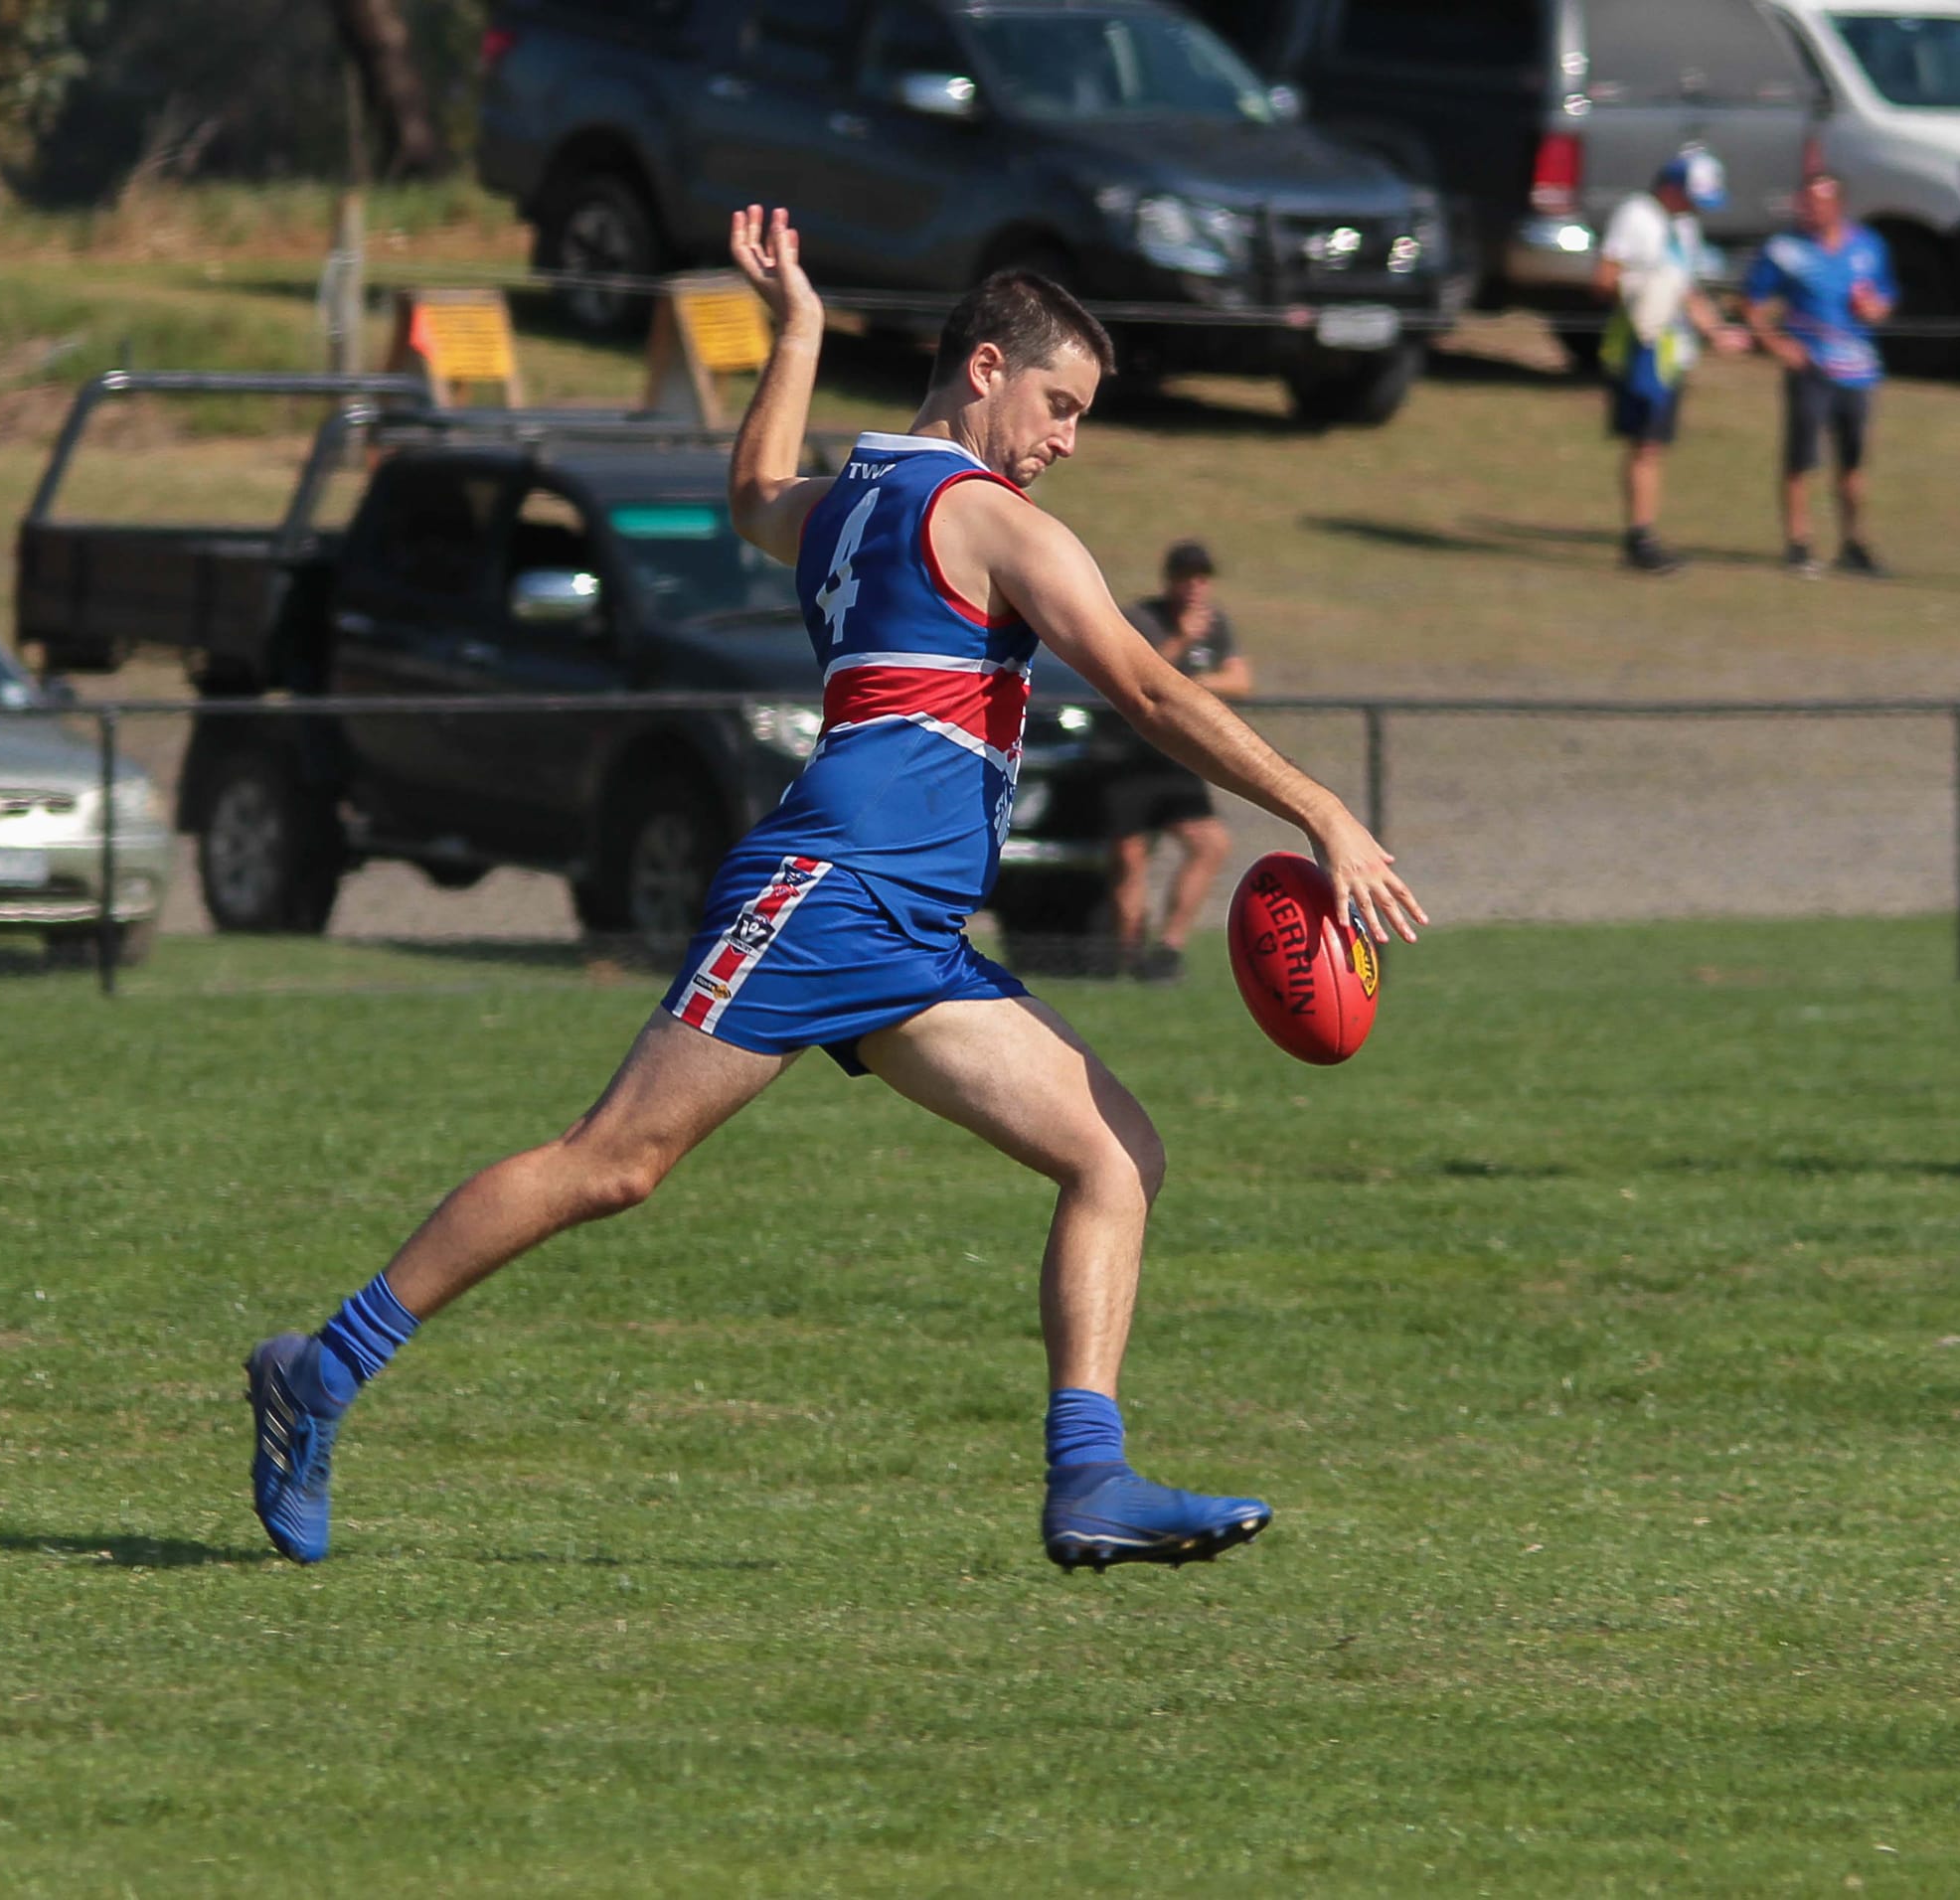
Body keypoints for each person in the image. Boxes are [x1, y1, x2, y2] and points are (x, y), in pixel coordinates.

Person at [245, 206, 1425, 1575]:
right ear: (983, 366)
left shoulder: (856, 500)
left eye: (1083, 415)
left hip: (909, 930)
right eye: (1058, 401)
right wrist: (1320, 809)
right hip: (831, 892)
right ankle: (320, 1370)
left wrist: (796, 332)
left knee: (1116, 1156)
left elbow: (751, 495)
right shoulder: (989, 521)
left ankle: (1089, 1479)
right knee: (613, 1163)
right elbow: (1151, 684)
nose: (1067, 439)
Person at [1593, 147, 1748, 574]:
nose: (1696, 207)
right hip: (1639, 346)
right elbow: (1605, 279)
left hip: (1671, 353)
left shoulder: (1685, 227)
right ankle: (1639, 537)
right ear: (1671, 187)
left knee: (1655, 444)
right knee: (1644, 443)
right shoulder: (1636, 215)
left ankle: (1644, 532)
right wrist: (1641, 290)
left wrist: (1717, 331)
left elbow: (1686, 291)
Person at [1105, 539, 1254, 983]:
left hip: (1177, 759)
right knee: (1129, 858)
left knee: (1211, 843)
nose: (1194, 587)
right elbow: (1138, 674)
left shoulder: (1217, 623)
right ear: (1169, 579)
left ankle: (1169, 948)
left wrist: (1191, 681)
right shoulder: (1141, 618)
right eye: (1186, 577)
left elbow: (1242, 680)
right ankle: (1128, 958)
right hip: (1129, 758)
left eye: (1202, 578)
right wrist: (1182, 641)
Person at [1742, 173, 1898, 579]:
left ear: (1837, 205)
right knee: (1801, 459)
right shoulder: (1784, 250)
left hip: (1858, 371)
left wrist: (1874, 309)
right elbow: (1751, 304)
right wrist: (1778, 345)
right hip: (1811, 368)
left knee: (1853, 461)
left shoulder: (1868, 246)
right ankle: (1799, 543)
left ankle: (1854, 543)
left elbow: (1884, 300)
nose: (1810, 209)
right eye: (1805, 202)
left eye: (1819, 202)